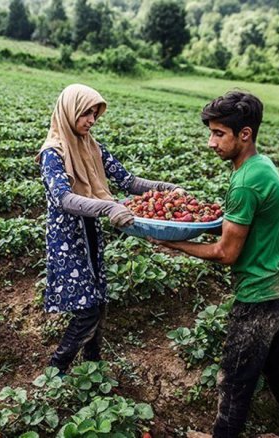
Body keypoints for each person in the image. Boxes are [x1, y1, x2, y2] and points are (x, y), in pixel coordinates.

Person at [149, 91, 279, 437]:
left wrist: (172, 241)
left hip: (262, 296)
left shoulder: (246, 183)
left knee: (234, 382)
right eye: (210, 132)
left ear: (245, 134)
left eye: (218, 134)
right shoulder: (260, 165)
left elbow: (226, 254)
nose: (210, 143)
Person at [38, 83, 182, 374]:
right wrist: (107, 207)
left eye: (94, 114)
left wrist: (164, 188)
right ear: (69, 112)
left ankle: (92, 366)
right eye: (85, 114)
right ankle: (57, 368)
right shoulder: (52, 153)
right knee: (87, 309)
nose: (91, 120)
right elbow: (63, 199)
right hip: (68, 238)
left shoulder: (91, 146)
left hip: (90, 233)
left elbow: (127, 181)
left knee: (99, 304)